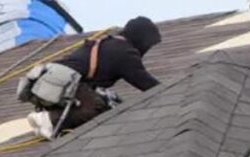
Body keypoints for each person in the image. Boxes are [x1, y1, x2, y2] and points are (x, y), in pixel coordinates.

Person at [24, 16, 161, 139]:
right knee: (100, 107)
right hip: (65, 84)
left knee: (104, 101)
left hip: (48, 81)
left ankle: (49, 123)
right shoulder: (125, 52)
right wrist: (170, 90)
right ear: (141, 39)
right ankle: (48, 119)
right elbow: (146, 83)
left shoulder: (108, 43)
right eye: (148, 44)